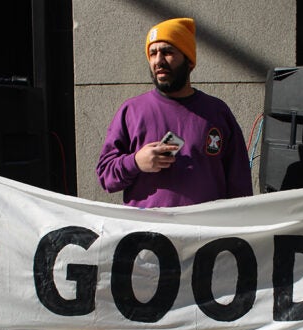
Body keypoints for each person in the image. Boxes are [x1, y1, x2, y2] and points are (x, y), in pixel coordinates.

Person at [96, 17, 253, 208]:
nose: (158, 60)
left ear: (189, 60)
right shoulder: (131, 111)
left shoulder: (217, 112)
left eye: (168, 52)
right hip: (149, 234)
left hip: (205, 233)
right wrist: (135, 162)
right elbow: (105, 176)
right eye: (153, 53)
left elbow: (240, 187)